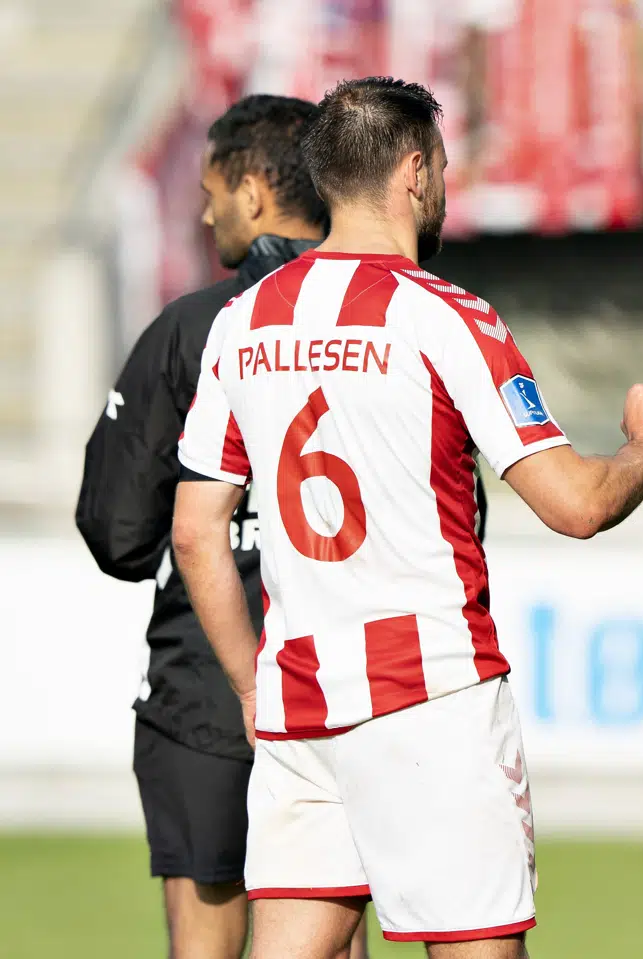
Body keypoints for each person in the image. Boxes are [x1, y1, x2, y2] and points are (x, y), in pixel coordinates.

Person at [170, 76, 643, 959]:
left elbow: (194, 529)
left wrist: (255, 688)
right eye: (442, 164)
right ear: (414, 172)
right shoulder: (447, 318)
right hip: (430, 701)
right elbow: (576, 503)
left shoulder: (245, 320)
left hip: (301, 703)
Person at [76, 95, 371, 959]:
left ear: (251, 189)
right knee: (332, 938)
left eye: (211, 191)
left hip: (206, 691)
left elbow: (117, 530)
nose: (204, 213)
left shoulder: (190, 329)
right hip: (350, 687)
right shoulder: (395, 319)